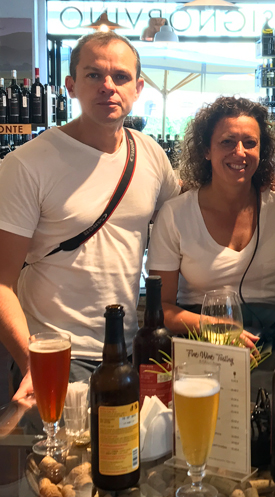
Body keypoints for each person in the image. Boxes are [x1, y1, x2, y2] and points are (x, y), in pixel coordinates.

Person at [0, 31, 180, 399]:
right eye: (94, 75)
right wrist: (33, 363)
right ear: (71, 85)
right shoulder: (26, 165)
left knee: (126, 454)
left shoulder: (151, 156)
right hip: (55, 352)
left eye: (121, 76)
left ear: (138, 87)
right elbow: (2, 283)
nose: (107, 86)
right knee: (57, 458)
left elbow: (184, 223)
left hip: (127, 350)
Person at [147, 96, 275, 340]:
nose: (239, 152)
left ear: (263, 150)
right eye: (227, 142)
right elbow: (160, 308)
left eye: (250, 143)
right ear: (206, 149)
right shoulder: (176, 215)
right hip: (202, 338)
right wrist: (215, 327)